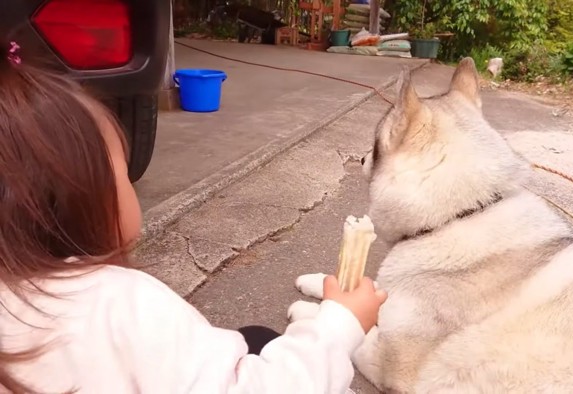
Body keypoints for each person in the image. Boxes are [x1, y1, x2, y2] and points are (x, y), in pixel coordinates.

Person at [0, 40, 387, 393]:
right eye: (122, 172)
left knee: (253, 338)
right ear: (79, 199)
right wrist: (339, 326)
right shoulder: (123, 306)